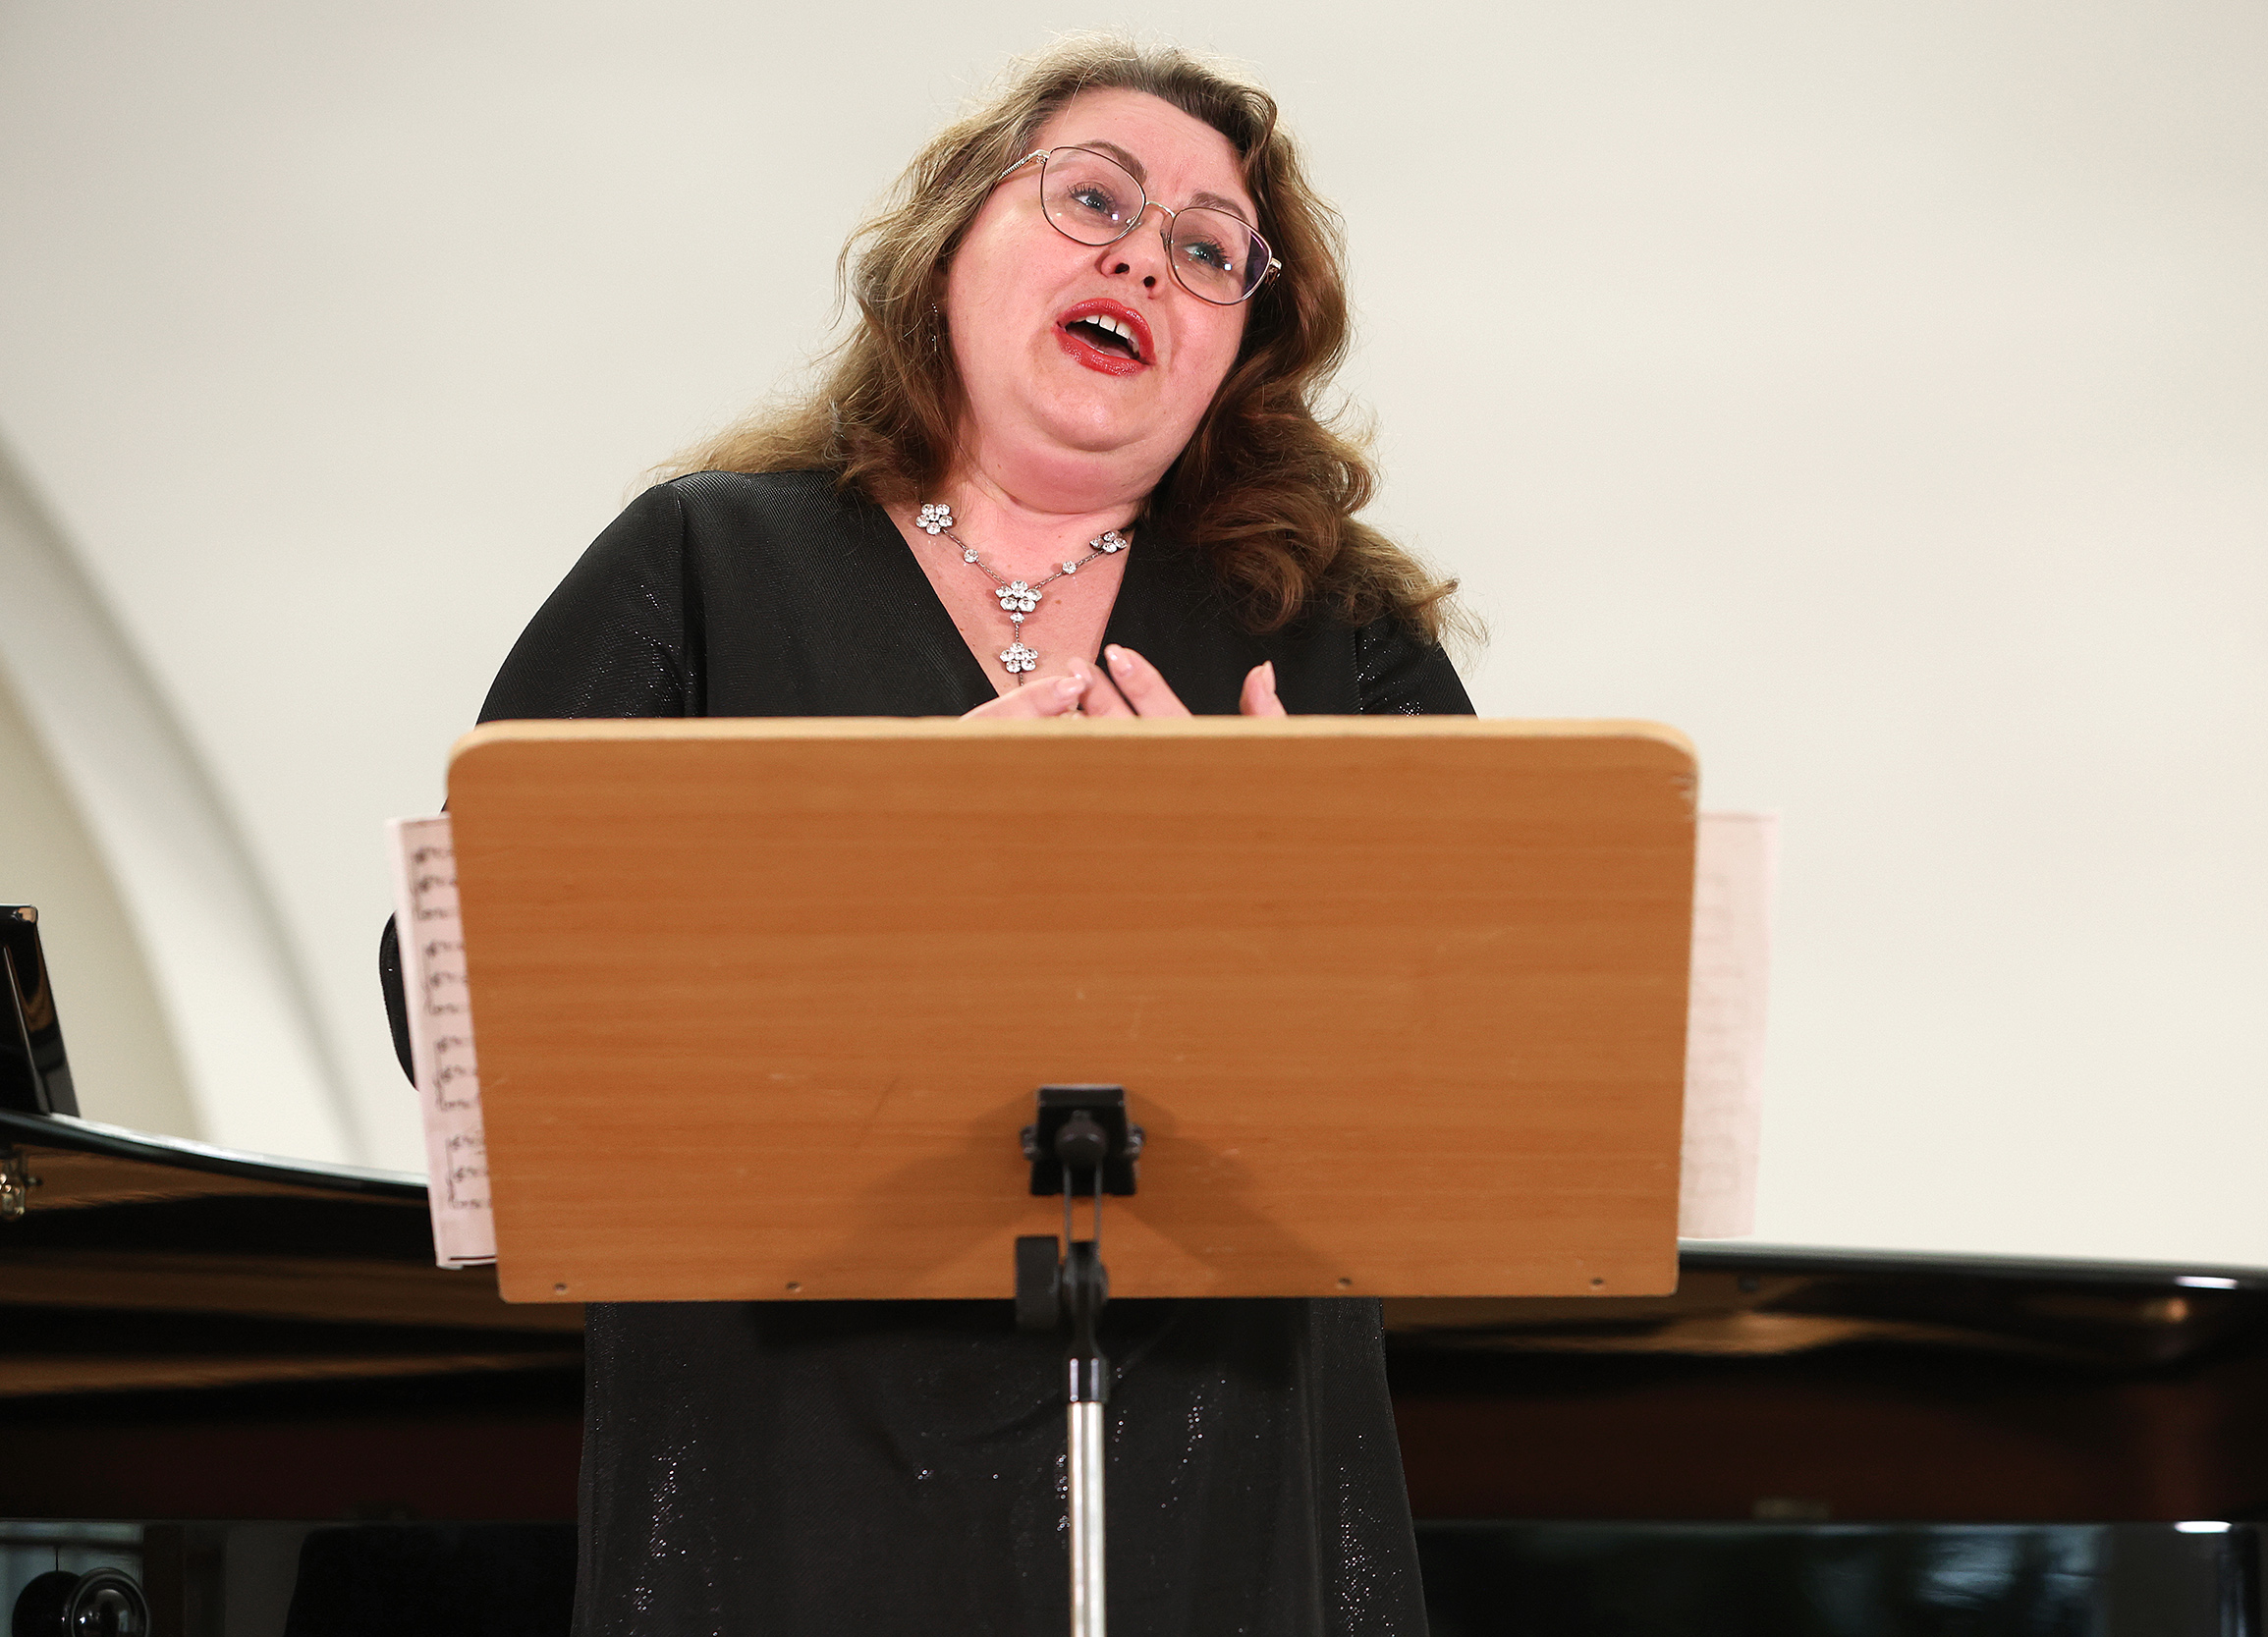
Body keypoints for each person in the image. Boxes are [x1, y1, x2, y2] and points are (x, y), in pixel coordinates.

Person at [386, 34, 1472, 1636]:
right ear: (951, 240)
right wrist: (852, 875)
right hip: (781, 1483)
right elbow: (453, 998)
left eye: (1207, 250)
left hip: (1220, 1488)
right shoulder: (704, 565)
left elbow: (1491, 1054)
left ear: (1240, 347)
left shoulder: (1333, 629)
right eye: (1093, 199)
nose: (1142, 259)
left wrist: (1275, 904)